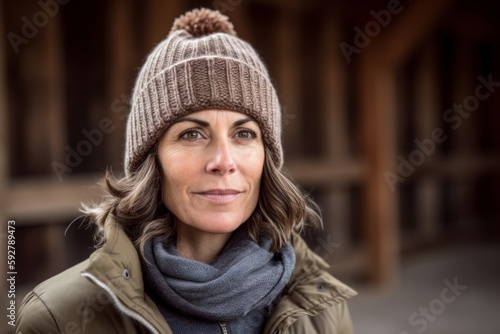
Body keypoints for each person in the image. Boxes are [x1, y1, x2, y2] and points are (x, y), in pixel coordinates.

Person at [16, 8, 356, 334]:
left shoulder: (320, 304)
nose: (223, 161)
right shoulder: (58, 320)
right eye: (192, 134)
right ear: (153, 159)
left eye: (244, 134)